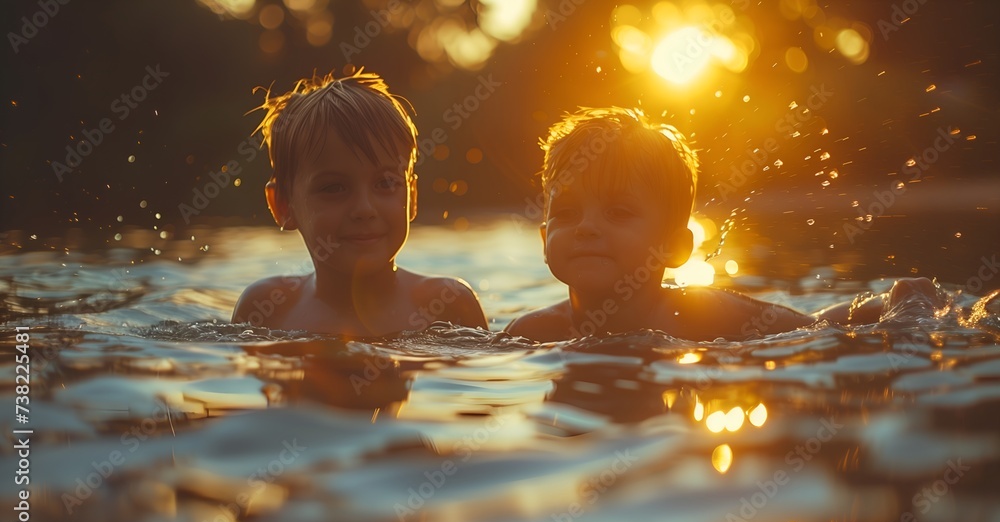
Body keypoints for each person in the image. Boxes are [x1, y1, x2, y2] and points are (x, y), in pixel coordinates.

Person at [504, 107, 945, 342]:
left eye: (618, 212)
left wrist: (902, 317)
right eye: (565, 214)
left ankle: (905, 295)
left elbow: (819, 334)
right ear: (544, 240)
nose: (585, 228)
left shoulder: (706, 317)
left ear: (675, 247)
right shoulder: (532, 333)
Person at [232, 69, 487, 336]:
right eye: (334, 188)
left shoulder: (448, 305)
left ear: (412, 196)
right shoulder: (267, 309)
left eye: (386, 183)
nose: (364, 209)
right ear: (283, 205)